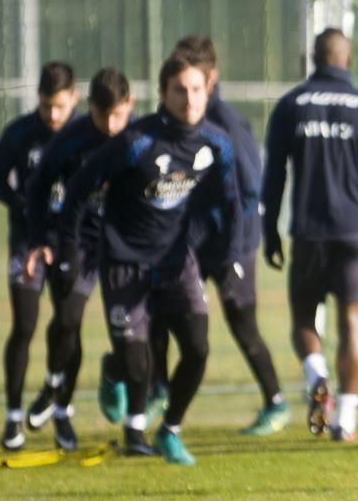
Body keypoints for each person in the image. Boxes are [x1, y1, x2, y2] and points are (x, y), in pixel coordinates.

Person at [58, 55, 242, 465]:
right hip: (124, 260)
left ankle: (170, 429)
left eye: (196, 89)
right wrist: (70, 252)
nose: (190, 99)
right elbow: (77, 191)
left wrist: (229, 257)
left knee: (197, 348)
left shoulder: (216, 142)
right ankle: (125, 403)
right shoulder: (134, 141)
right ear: (163, 94)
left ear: (206, 91)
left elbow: (230, 203)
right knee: (136, 362)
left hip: (177, 261)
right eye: (180, 90)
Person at [145, 35, 289, 436]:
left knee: (242, 323)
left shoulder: (225, 121)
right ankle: (158, 390)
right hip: (191, 244)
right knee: (160, 314)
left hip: (231, 246)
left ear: (212, 78)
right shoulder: (177, 120)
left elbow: (249, 190)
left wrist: (237, 251)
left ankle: (276, 401)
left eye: (200, 80)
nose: (192, 92)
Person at [262, 28, 358, 442]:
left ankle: (316, 374)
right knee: (352, 320)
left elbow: (274, 175)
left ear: (312, 59)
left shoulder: (290, 105)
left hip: (309, 232)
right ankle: (346, 421)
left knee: (303, 316)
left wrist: (270, 230)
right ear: (348, 61)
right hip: (355, 232)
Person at [22, 68, 135, 450]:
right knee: (68, 320)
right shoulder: (71, 141)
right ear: (90, 108)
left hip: (125, 243)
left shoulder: (140, 135)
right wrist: (41, 240)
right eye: (104, 116)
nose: (111, 124)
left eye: (118, 114)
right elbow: (37, 189)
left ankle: (138, 410)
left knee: (138, 333)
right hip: (78, 242)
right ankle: (59, 402)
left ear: (129, 106)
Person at [0, 62, 79, 450]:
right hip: (27, 244)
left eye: (59, 106)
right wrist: (22, 205)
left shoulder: (85, 134)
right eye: (46, 107)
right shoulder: (21, 133)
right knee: (24, 326)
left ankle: (60, 409)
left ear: (73, 98)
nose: (53, 115)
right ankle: (12, 418)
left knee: (69, 325)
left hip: (70, 242)